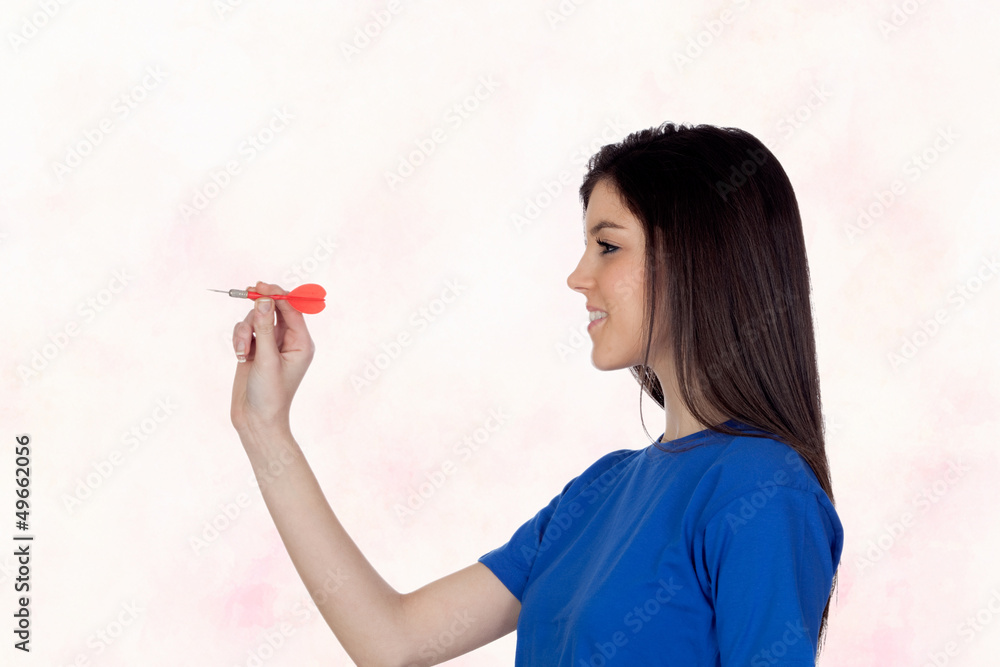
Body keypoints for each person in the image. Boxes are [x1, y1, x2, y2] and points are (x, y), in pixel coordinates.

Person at [228, 121, 843, 666]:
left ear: (695, 256)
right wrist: (265, 427)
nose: (578, 277)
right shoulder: (603, 491)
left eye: (607, 246)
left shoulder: (764, 490)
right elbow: (394, 642)